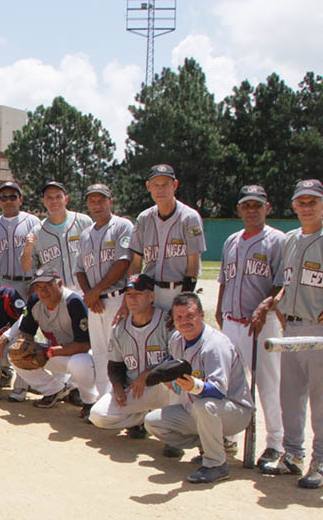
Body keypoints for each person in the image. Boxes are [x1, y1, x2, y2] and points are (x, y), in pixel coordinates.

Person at [252, 179, 323, 489]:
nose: (306, 207)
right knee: (290, 396)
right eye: (301, 202)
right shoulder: (289, 241)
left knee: (322, 398)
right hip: (292, 328)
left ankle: (322, 462)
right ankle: (292, 455)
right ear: (294, 206)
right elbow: (285, 285)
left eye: (312, 201)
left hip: (320, 328)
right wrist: (275, 307)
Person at [144, 293, 255, 484]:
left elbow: (219, 390)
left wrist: (194, 386)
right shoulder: (177, 339)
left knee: (204, 405)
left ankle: (216, 464)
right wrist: (163, 374)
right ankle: (213, 445)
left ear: (201, 315)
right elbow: (174, 361)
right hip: (200, 411)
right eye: (179, 317)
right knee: (153, 422)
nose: (184, 321)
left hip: (235, 411)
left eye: (190, 316)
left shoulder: (215, 345)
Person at [215, 185, 286, 469]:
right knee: (231, 382)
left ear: (267, 208)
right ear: (239, 209)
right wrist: (220, 311)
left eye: (257, 205)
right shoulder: (231, 240)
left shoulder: (277, 240)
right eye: (247, 205)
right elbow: (224, 280)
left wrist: (265, 306)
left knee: (268, 383)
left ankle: (275, 443)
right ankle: (229, 434)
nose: (252, 210)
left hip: (261, 323)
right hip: (232, 321)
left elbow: (282, 284)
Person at [88, 274, 177, 437]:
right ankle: (143, 419)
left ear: (151, 296)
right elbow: (115, 364)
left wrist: (149, 373)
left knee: (175, 383)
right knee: (98, 415)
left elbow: (178, 362)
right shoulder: (119, 328)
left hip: (163, 388)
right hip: (135, 390)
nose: (132, 299)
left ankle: (172, 428)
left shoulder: (167, 322)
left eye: (138, 294)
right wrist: (117, 387)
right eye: (128, 294)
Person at [0, 269, 96, 411]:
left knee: (79, 363)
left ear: (60, 283)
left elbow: (85, 345)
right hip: (55, 354)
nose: (43, 291)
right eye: (38, 287)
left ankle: (88, 401)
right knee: (17, 355)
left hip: (80, 356)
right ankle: (54, 390)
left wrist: (52, 351)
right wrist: (25, 344)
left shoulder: (73, 302)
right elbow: (26, 331)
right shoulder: (34, 301)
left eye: (48, 285)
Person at [74, 183, 133, 401]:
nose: (97, 205)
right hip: (95, 304)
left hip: (117, 299)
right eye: (92, 201)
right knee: (99, 353)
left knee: (120, 352)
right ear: (87, 204)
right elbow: (79, 269)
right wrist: (90, 294)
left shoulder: (122, 226)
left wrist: (95, 292)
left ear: (111, 201)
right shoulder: (86, 234)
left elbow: (123, 262)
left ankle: (126, 404)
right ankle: (102, 401)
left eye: (101, 200)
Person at [127, 164, 206, 310]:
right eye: (156, 184)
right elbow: (136, 262)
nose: (160, 189)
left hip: (179, 289)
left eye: (165, 184)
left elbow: (193, 263)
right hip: (150, 291)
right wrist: (133, 293)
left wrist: (184, 300)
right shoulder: (143, 218)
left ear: (174, 185)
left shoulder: (190, 218)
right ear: (148, 186)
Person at [21, 181, 93, 291]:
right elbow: (26, 268)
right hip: (55, 293)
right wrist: (27, 250)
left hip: (85, 289)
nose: (54, 201)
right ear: (44, 202)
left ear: (66, 199)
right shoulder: (37, 231)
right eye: (49, 198)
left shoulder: (84, 222)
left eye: (58, 197)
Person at [0, 181, 41, 297]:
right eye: (4, 197)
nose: (8, 201)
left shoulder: (33, 222)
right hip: (0, 283)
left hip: (28, 283)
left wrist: (37, 281)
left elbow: (42, 258)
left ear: (20, 200)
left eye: (13, 197)